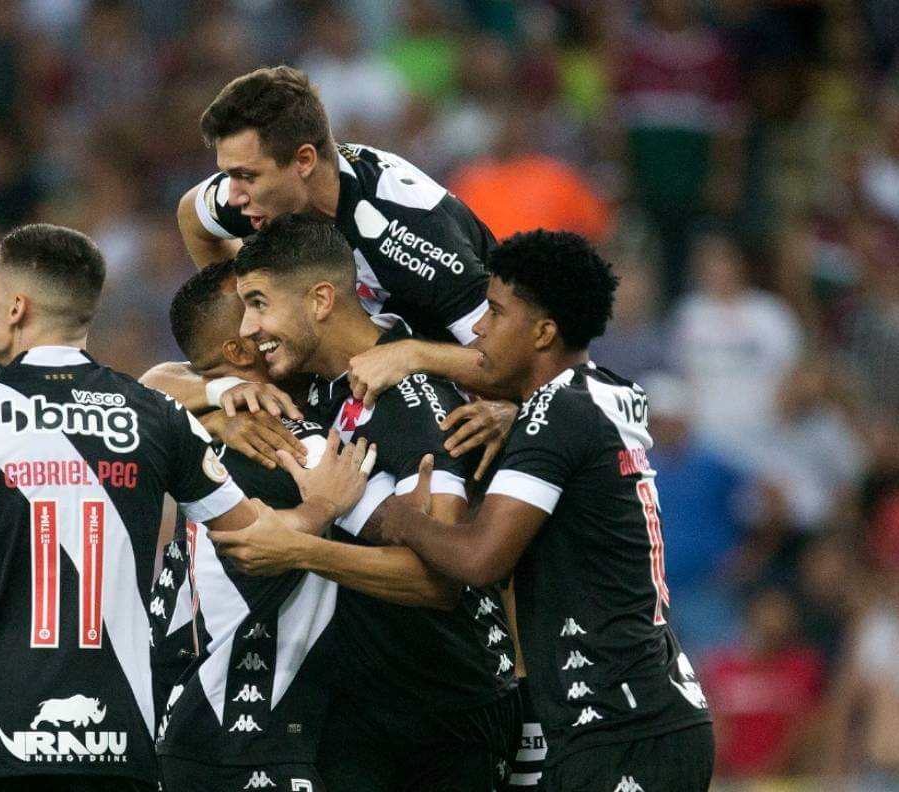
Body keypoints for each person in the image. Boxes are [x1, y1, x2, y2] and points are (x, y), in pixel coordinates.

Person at [0, 224, 375, 792]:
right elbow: (253, 541)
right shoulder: (154, 418)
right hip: (118, 746)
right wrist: (319, 508)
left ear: (16, 307)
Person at [364, 229, 714, 790]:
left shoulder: (556, 413)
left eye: (496, 314)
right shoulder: (604, 391)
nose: (478, 329)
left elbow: (481, 559)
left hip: (620, 724)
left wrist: (396, 517)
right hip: (642, 714)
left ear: (544, 332)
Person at [210, 215, 520, 792]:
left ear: (322, 299)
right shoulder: (320, 383)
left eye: (258, 303)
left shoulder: (415, 400)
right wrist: (215, 395)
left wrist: (299, 550)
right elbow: (164, 376)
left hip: (445, 716)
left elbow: (437, 583)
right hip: (356, 708)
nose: (248, 328)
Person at [150, 260, 460, 792]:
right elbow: (427, 565)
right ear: (238, 350)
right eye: (251, 309)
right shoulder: (300, 445)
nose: (259, 320)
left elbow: (147, 383)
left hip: (173, 718)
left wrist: (216, 395)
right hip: (251, 735)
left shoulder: (186, 425)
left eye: (261, 304)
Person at [167, 64, 510, 414]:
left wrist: (412, 353)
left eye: (246, 176)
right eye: (229, 175)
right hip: (353, 383)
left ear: (304, 160)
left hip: (443, 402)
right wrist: (261, 316)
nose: (234, 195)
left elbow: (504, 363)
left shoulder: (408, 231)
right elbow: (191, 216)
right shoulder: (259, 195)